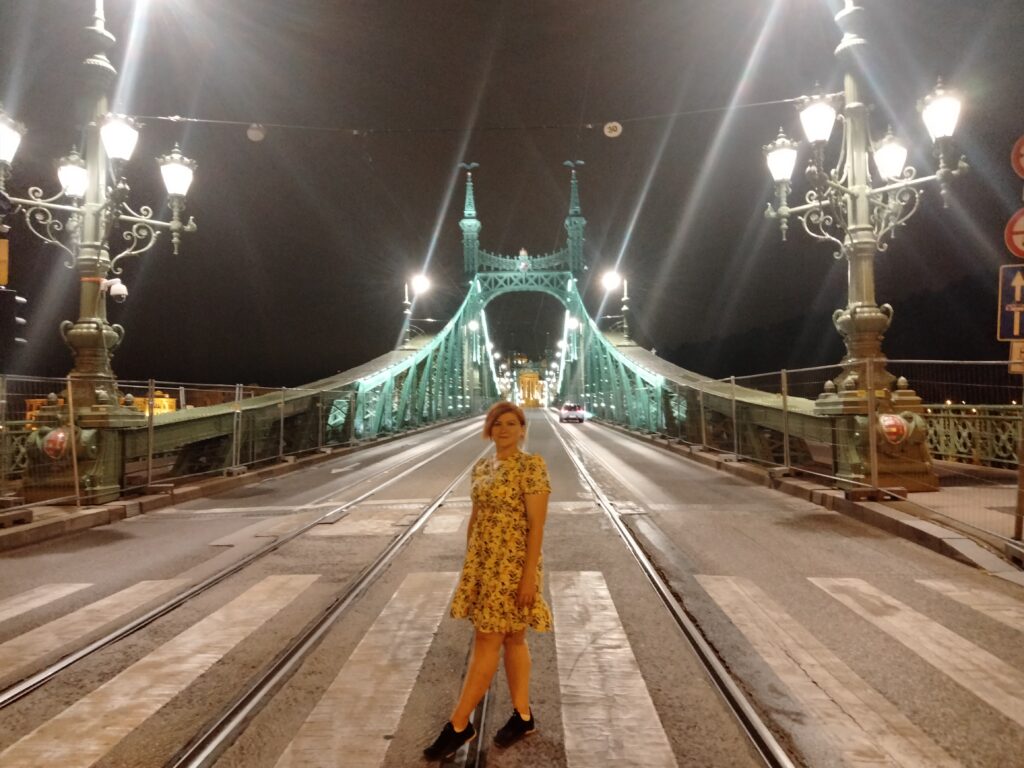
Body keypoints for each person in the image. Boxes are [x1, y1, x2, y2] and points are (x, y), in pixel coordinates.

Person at [423, 401, 552, 760]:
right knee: (513, 637)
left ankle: (459, 724)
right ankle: (523, 717)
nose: (504, 429)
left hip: (512, 566)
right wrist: (471, 565)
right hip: (484, 564)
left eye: (511, 423)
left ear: (522, 430)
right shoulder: (481, 467)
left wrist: (528, 577)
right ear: (489, 430)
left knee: (487, 639)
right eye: (497, 424)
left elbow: (537, 526)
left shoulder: (531, 466)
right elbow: (476, 517)